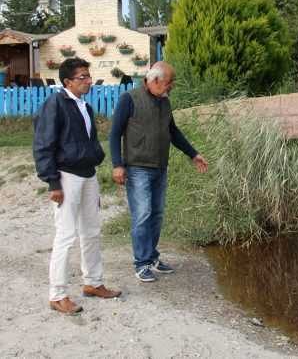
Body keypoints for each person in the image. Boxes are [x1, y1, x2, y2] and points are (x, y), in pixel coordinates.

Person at [33, 58, 122, 315]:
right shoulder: (55, 104)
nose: (88, 81)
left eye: (88, 76)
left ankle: (93, 283)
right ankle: (57, 294)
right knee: (65, 235)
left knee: (92, 230)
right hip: (66, 176)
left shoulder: (84, 106)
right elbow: (43, 145)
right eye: (82, 77)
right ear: (67, 81)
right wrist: (53, 182)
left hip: (88, 175)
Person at [109, 61, 208, 282]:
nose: (170, 87)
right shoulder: (129, 99)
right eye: (167, 83)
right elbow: (114, 133)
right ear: (154, 80)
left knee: (157, 214)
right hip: (137, 168)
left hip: (160, 167)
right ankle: (141, 262)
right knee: (142, 214)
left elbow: (173, 132)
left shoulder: (165, 102)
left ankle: (152, 257)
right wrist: (117, 164)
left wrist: (193, 154)